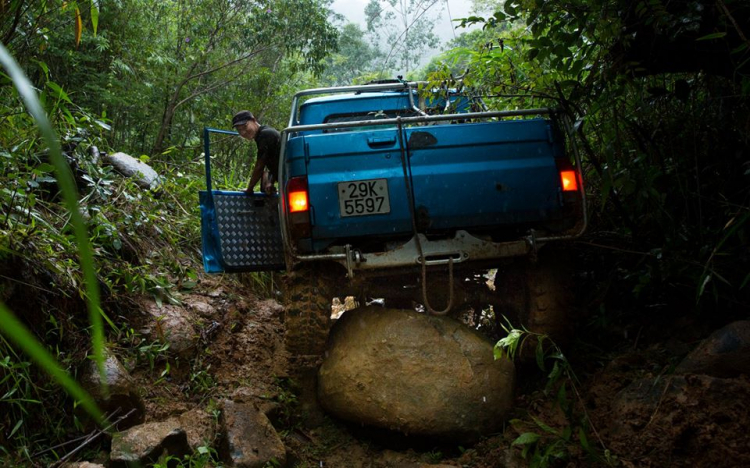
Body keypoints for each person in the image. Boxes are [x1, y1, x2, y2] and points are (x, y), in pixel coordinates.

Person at [232, 110, 281, 195]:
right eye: (239, 130)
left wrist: (249, 189)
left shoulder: (265, 134)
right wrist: (270, 181)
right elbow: (276, 160)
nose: (243, 132)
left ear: (254, 120)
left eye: (245, 127)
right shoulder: (263, 134)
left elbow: (260, 166)